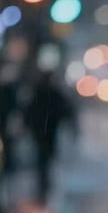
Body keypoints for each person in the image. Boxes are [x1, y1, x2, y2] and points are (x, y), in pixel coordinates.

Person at [23, 69, 75, 202]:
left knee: (44, 157)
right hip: (44, 131)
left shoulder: (43, 93)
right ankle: (44, 182)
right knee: (44, 157)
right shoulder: (46, 93)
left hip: (45, 130)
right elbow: (65, 109)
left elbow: (64, 109)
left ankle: (44, 182)